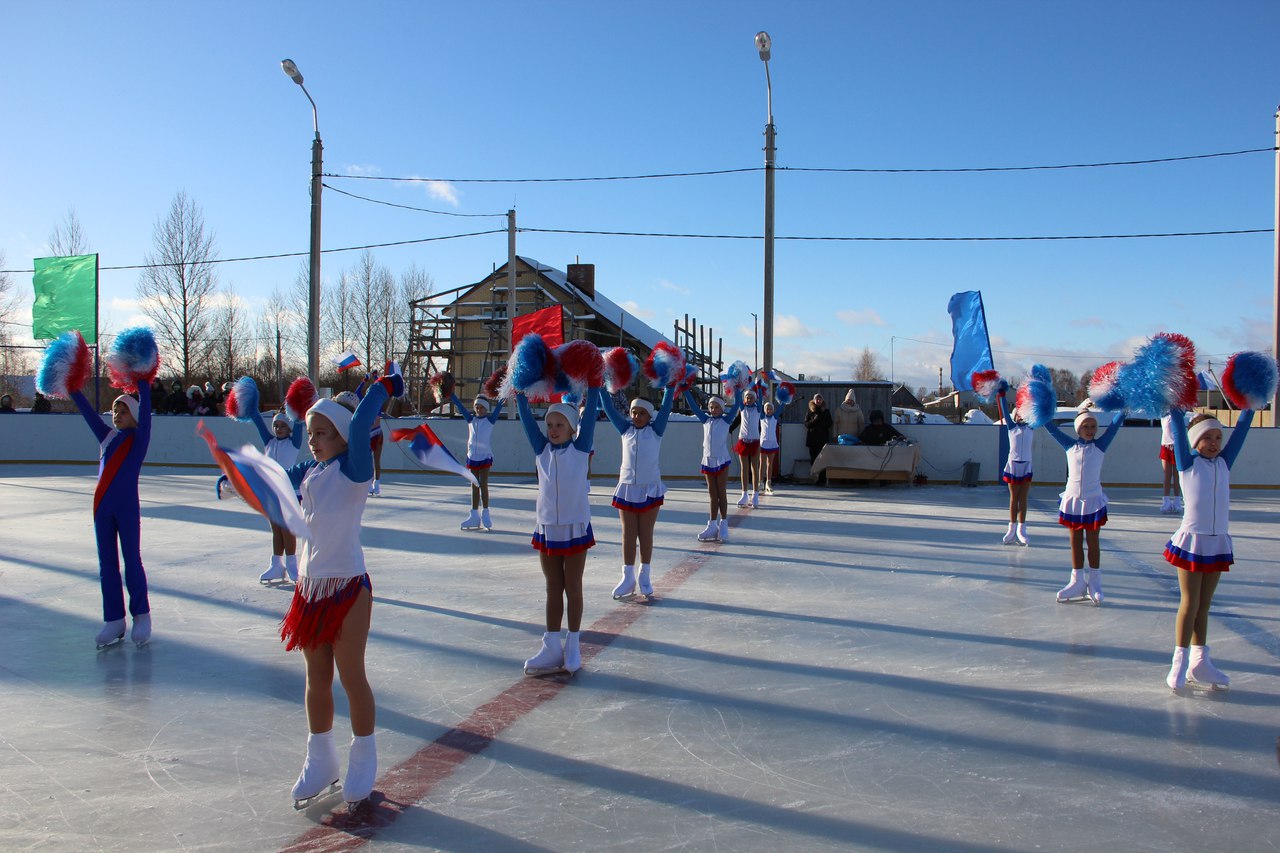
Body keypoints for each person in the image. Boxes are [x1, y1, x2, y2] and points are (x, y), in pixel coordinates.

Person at [279, 371, 397, 810]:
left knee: (351, 676)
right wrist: (240, 479)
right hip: (309, 588)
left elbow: (365, 415)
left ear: (345, 436)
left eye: (323, 433)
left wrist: (385, 386)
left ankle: (363, 756)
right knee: (317, 679)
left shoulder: (354, 470)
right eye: (311, 434)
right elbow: (278, 476)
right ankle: (320, 759)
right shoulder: (313, 471)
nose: (313, 441)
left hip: (347, 587)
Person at [1162, 409, 1254, 690]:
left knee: (1204, 605)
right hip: (1193, 541)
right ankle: (1179, 663)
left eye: (1217, 437)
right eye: (1207, 438)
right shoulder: (1187, 464)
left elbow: (1241, 432)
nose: (1214, 443)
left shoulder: (1224, 463)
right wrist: (1176, 405)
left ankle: (1199, 662)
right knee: (1190, 603)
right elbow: (1178, 429)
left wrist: (1250, 404)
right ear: (1193, 441)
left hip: (1216, 542)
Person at [516, 388, 601, 675]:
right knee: (553, 587)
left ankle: (573, 644)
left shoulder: (580, 448)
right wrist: (519, 394)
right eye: (550, 425)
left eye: (559, 425)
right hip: (547, 527)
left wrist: (594, 386)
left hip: (575, 527)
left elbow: (589, 415)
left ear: (572, 428)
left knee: (572, 587)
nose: (553, 430)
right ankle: (552, 645)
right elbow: (527, 421)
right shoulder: (541, 450)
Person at [70, 380, 153, 648]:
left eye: (124, 411)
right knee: (107, 566)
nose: (117, 415)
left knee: (132, 561)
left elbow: (147, 408)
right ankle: (114, 620)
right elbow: (87, 413)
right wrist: (72, 388)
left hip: (127, 508)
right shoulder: (107, 437)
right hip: (101, 508)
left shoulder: (139, 439)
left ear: (135, 416)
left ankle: (141, 616)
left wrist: (143, 383)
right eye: (115, 411)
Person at [1043, 408, 1125, 604]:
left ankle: (1095, 582)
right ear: (1078, 429)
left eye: (1093, 426)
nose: (1090, 429)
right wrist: (1039, 412)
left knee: (1093, 542)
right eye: (1085, 426)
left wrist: (1125, 408)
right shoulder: (1070, 445)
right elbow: (1051, 429)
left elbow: (1114, 427)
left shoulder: (1101, 445)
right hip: (1072, 500)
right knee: (1075, 542)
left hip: (1093, 501)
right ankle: (1077, 580)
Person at [601, 387, 675, 599]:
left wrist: (669, 388)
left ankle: (644, 574)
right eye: (634, 412)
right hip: (626, 488)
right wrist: (599, 387)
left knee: (645, 534)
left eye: (642, 413)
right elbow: (608, 407)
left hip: (650, 487)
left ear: (650, 415)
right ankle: (627, 576)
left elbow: (666, 407)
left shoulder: (656, 430)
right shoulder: (625, 429)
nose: (637, 416)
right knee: (627, 534)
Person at [248, 405, 306, 585]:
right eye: (276, 426)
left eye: (282, 426)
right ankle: (276, 564)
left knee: (287, 529)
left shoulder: (294, 442)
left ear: (289, 428)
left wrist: (297, 406)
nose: (278, 429)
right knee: (276, 529)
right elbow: (258, 422)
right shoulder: (269, 442)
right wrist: (251, 406)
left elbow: (298, 421)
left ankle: (291, 566)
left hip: (289, 491)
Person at [684, 388, 744, 542]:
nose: (714, 410)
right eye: (711, 407)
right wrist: (686, 390)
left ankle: (723, 524)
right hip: (708, 460)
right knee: (712, 495)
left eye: (717, 407)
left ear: (722, 408)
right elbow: (694, 407)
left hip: (722, 460)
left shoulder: (726, 420)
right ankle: (712, 525)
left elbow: (737, 404)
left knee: (721, 493)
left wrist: (738, 390)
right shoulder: (705, 420)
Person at [450, 392, 505, 530]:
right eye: (477, 407)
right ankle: (474, 515)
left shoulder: (490, 420)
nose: (479, 410)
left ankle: (485, 512)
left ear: (486, 409)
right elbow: (460, 407)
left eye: (481, 407)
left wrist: (505, 394)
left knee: (483, 484)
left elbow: (499, 407)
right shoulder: (470, 419)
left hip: (484, 456)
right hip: (472, 456)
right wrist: (452, 395)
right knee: (474, 485)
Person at [997, 387, 1034, 545]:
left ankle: (1022, 528)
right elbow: (1005, 411)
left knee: (1023, 498)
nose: (1021, 415)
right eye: (1018, 413)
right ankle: (1011, 527)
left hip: (1026, 465)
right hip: (1013, 465)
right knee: (1014, 498)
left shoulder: (1031, 427)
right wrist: (1002, 396)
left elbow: (1037, 412)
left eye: (1023, 413)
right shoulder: (1011, 427)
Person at [356, 372, 389, 497]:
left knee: (374, 461)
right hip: (375, 434)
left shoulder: (367, 403)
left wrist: (366, 380)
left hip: (374, 434)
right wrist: (371, 379)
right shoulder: (375, 403)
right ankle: (373, 485)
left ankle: (375, 485)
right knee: (373, 461)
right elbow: (358, 393)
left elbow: (358, 392)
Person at [733, 389, 764, 508]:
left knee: (754, 468)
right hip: (743, 441)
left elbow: (761, 398)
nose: (749, 399)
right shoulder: (742, 408)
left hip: (755, 441)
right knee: (744, 468)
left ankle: (755, 494)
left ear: (755, 399)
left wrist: (759, 386)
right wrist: (738, 385)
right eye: (747, 398)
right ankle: (744, 494)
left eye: (751, 397)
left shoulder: (758, 409)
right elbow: (738, 397)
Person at [1159, 413, 1184, 514]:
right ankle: (1166, 501)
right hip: (1165, 445)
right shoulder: (1163, 414)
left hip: (1177, 446)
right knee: (1167, 474)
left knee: (1177, 475)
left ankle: (1177, 501)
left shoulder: (1178, 412)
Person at [804, 394, 832, 469]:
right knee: (813, 459)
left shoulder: (826, 411)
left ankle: (822, 478)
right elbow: (806, 424)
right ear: (814, 400)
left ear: (822, 401)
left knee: (823, 459)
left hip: (823, 440)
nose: (818, 401)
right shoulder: (810, 411)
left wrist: (822, 421)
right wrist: (814, 420)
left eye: (820, 399)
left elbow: (829, 424)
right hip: (812, 440)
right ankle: (814, 477)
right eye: (817, 399)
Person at [759, 400, 780, 494]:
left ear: (773, 410)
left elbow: (781, 408)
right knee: (762, 463)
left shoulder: (775, 417)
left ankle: (768, 482)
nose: (769, 410)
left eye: (770, 409)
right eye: (767, 409)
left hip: (772, 443)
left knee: (769, 463)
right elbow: (759, 405)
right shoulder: (762, 417)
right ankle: (760, 482)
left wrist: (784, 399)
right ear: (764, 410)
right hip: (763, 443)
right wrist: (759, 390)